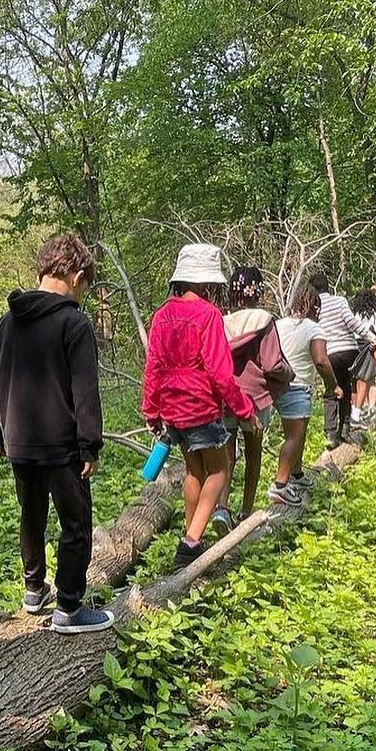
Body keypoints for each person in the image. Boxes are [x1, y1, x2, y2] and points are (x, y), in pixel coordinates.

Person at [0, 234, 112, 634]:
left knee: (31, 516)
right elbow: (84, 391)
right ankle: (69, 607)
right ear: (74, 275)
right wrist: (90, 444)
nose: (83, 293)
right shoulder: (74, 323)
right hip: (62, 447)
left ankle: (34, 590)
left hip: (20, 444)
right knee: (76, 524)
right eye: (84, 284)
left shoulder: (8, 321)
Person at [142, 244, 259, 569]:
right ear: (207, 283)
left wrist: (151, 410)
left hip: (173, 409)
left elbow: (152, 367)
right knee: (220, 471)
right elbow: (221, 373)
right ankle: (192, 541)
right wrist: (244, 409)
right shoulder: (208, 315)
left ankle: (191, 534)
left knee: (195, 470)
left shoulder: (162, 315)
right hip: (200, 407)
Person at [220, 266, 294, 524]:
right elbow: (272, 364)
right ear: (258, 291)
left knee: (226, 455)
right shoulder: (264, 320)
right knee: (253, 454)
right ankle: (246, 511)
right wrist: (289, 374)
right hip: (256, 398)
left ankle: (221, 507)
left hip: (226, 396)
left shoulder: (222, 322)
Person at [273, 284, 343, 500]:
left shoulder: (278, 324)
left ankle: (296, 473)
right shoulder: (314, 328)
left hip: (276, 385)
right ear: (315, 306)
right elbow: (321, 361)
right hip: (298, 385)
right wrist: (334, 385)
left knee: (296, 435)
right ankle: (280, 485)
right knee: (295, 437)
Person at [309, 269, 375, 447]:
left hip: (328, 353)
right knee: (346, 387)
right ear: (328, 286)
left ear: (312, 289)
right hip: (348, 351)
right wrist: (370, 337)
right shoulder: (339, 301)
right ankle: (344, 428)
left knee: (331, 390)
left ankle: (330, 433)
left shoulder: (313, 306)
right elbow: (351, 322)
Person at [349, 288, 376, 418]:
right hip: (368, 348)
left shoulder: (353, 314)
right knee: (367, 378)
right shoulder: (373, 314)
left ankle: (353, 407)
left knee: (354, 380)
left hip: (353, 347)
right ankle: (364, 409)